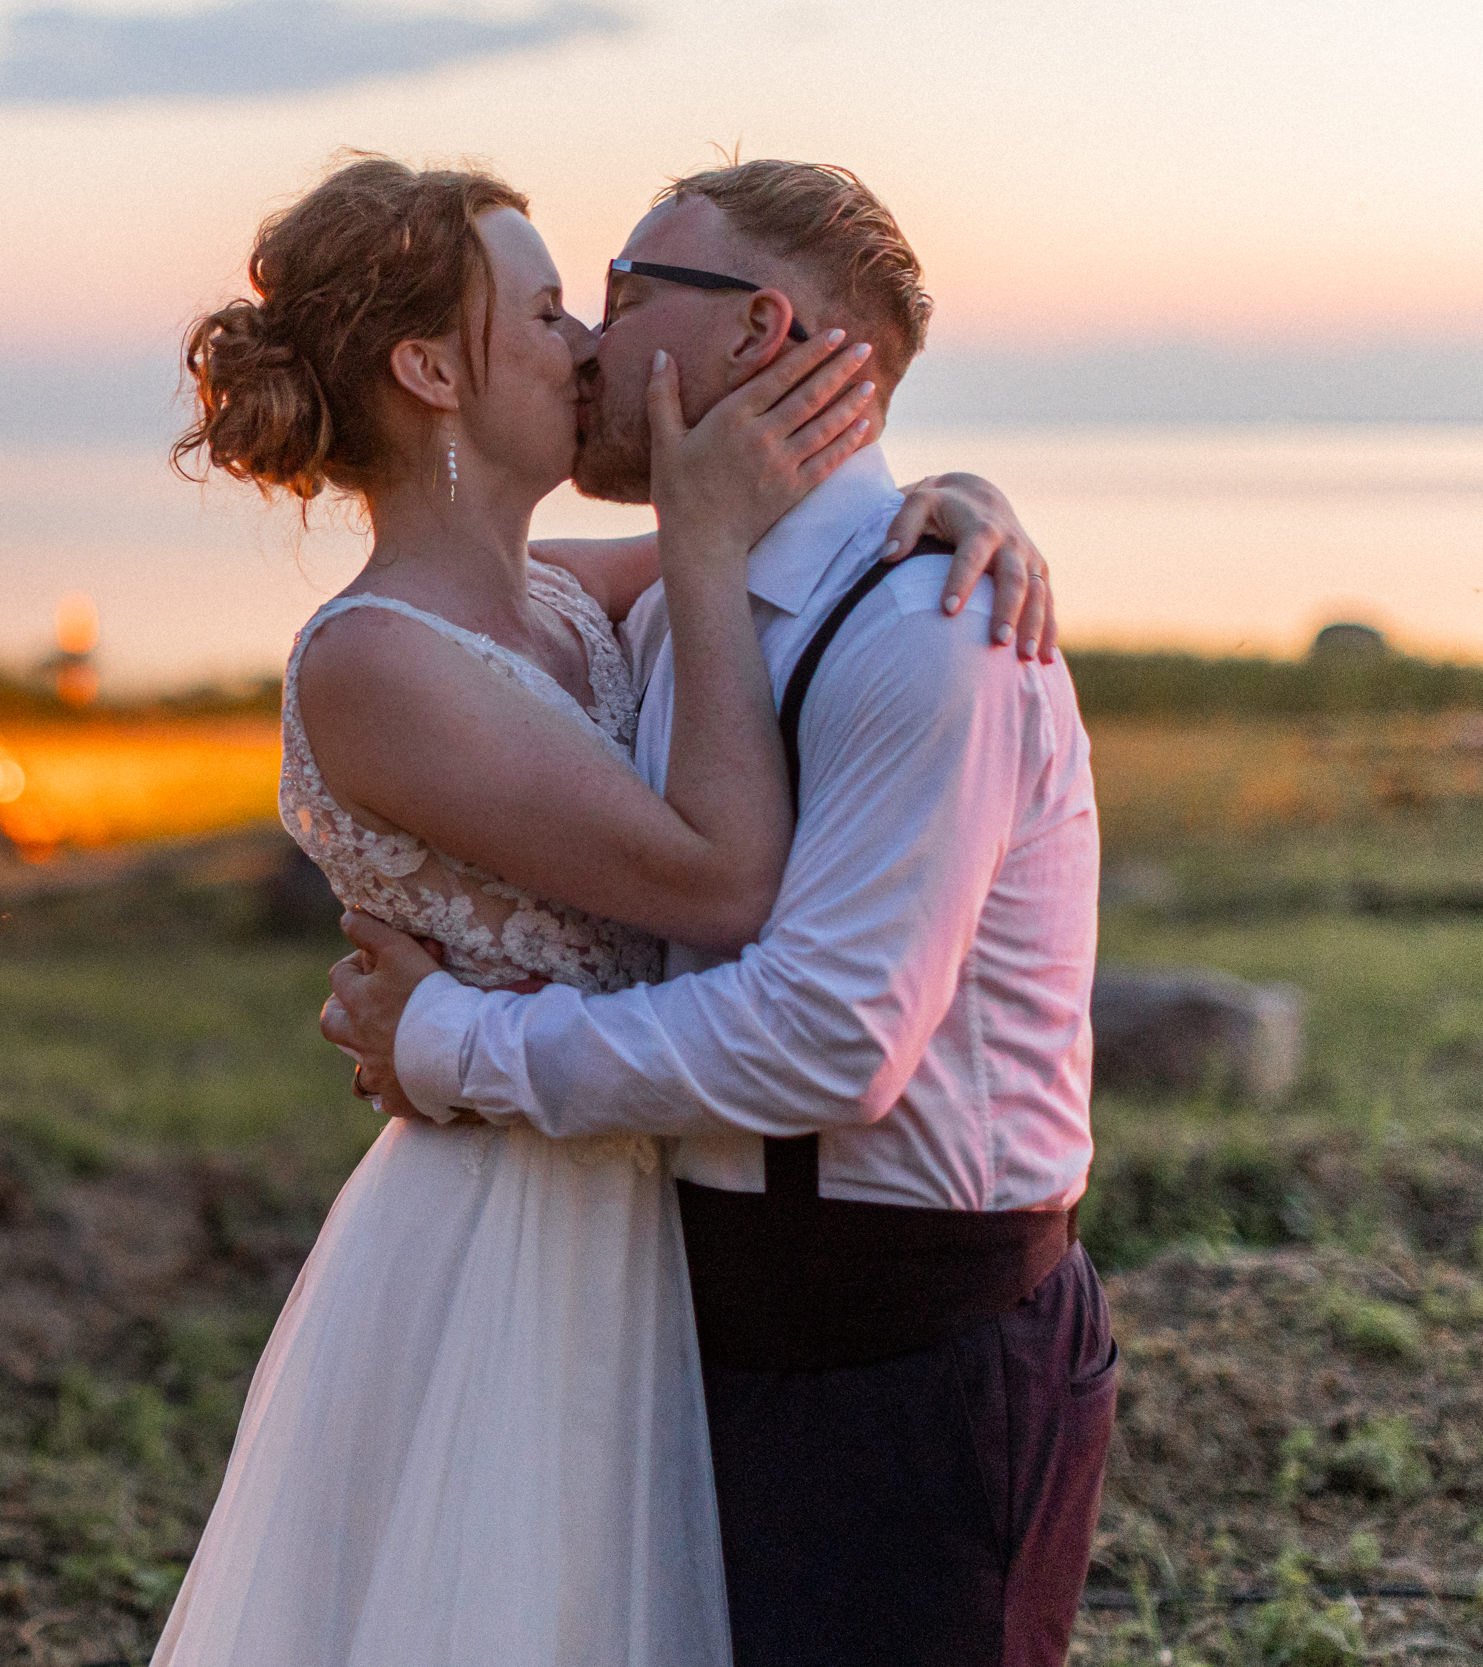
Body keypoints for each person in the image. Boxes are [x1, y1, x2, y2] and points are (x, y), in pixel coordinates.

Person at [153, 153, 1058, 1667]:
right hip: (507, 1230)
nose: (588, 346)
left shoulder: (562, 591)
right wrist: (699, 548)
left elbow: (821, 537)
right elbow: (722, 877)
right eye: (556, 310)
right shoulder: (374, 660)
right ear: (432, 367)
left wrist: (971, 499)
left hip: (662, 1222)